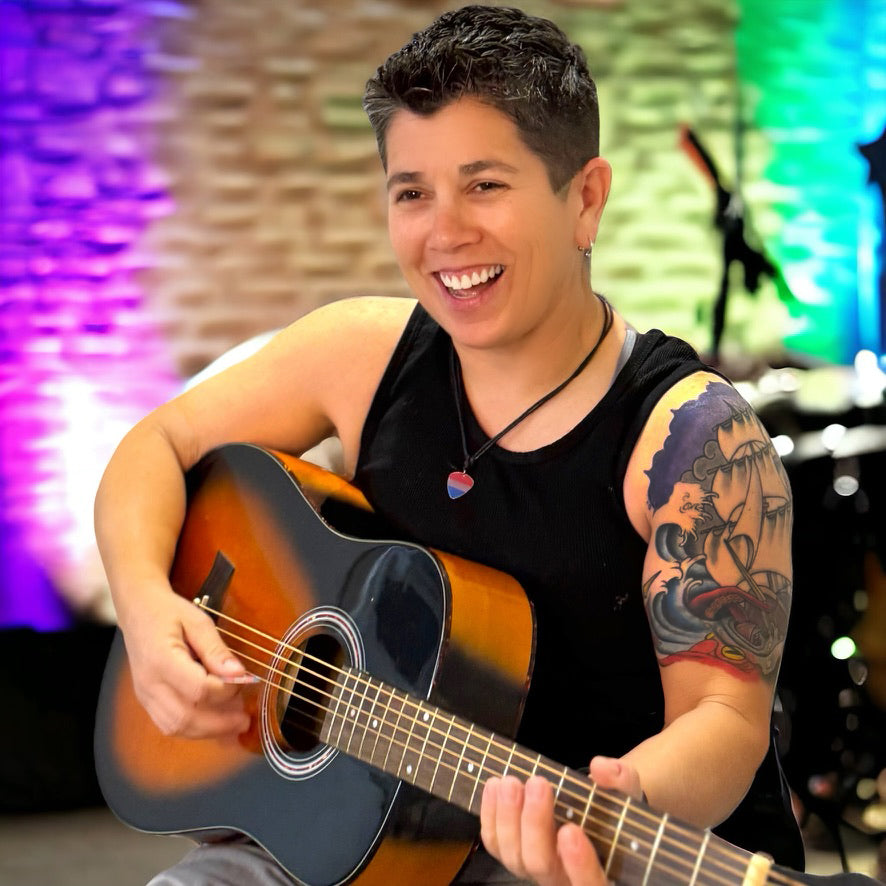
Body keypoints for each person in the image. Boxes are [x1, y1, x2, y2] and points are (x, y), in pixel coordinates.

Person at [94, 6, 813, 884]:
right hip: (350, 832)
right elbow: (156, 444)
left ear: (584, 196)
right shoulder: (362, 354)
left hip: (605, 854)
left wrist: (623, 797)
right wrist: (144, 606)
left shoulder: (693, 440)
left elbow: (727, 723)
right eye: (411, 193)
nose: (444, 234)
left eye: (485, 185)